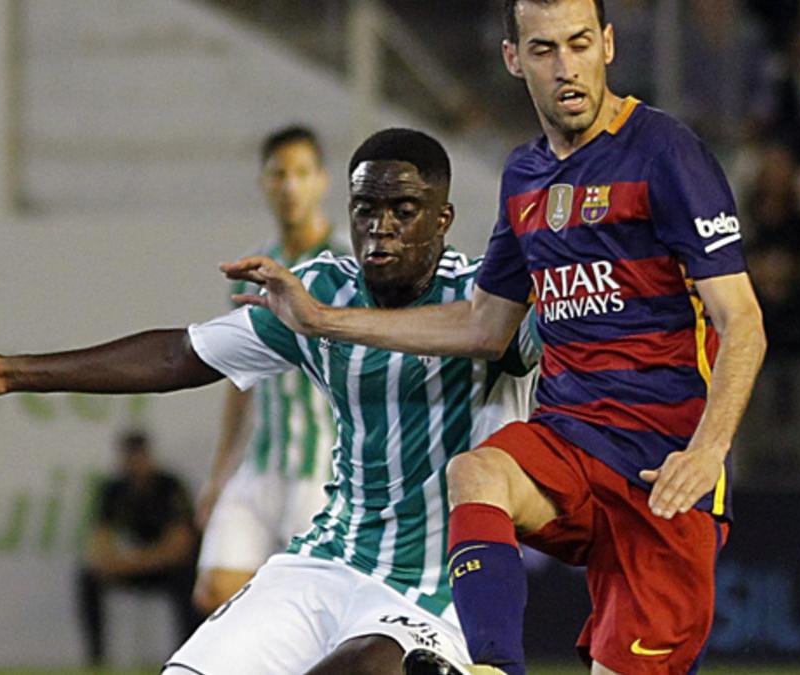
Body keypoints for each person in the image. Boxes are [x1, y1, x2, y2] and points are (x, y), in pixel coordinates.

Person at [226, 2, 766, 673]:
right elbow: (485, 324)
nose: (565, 68)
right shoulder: (525, 175)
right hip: (569, 444)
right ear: (514, 59)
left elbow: (741, 319)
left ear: (608, 44)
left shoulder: (665, 153)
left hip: (664, 473)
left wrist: (709, 450)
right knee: (476, 469)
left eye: (578, 45)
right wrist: (322, 319)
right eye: (543, 50)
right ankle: (493, 668)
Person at [0, 128, 539, 675]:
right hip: (327, 558)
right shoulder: (321, 287)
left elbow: (529, 345)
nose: (380, 229)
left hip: (436, 588)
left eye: (403, 209)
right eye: (366, 209)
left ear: (444, 217)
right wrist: (11, 371)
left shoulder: (486, 301)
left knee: (362, 666)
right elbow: (182, 354)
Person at [193, 125, 345, 614]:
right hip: (262, 464)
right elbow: (241, 377)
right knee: (217, 594)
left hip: (323, 471)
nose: (290, 186)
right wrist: (220, 472)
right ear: (263, 183)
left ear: (322, 181)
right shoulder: (257, 267)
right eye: (279, 174)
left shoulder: (348, 263)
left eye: (302, 173)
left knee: (312, 612)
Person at [78, 430, 200, 667]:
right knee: (88, 578)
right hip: (133, 564)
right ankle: (96, 660)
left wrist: (138, 561)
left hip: (165, 568)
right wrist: (117, 562)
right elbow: (100, 540)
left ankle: (188, 657)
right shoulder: (113, 490)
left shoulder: (169, 486)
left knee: (187, 579)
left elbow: (180, 546)